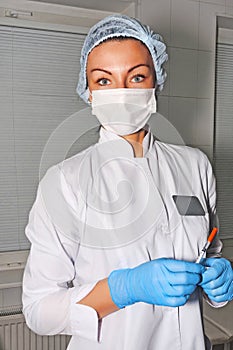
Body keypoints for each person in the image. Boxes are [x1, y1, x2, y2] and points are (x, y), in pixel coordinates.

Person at [22, 14, 233, 350]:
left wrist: (218, 276)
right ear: (88, 92)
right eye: (104, 81)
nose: (121, 92)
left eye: (136, 76)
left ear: (155, 83)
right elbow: (39, 311)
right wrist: (124, 289)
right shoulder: (64, 182)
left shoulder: (195, 165)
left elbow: (208, 248)